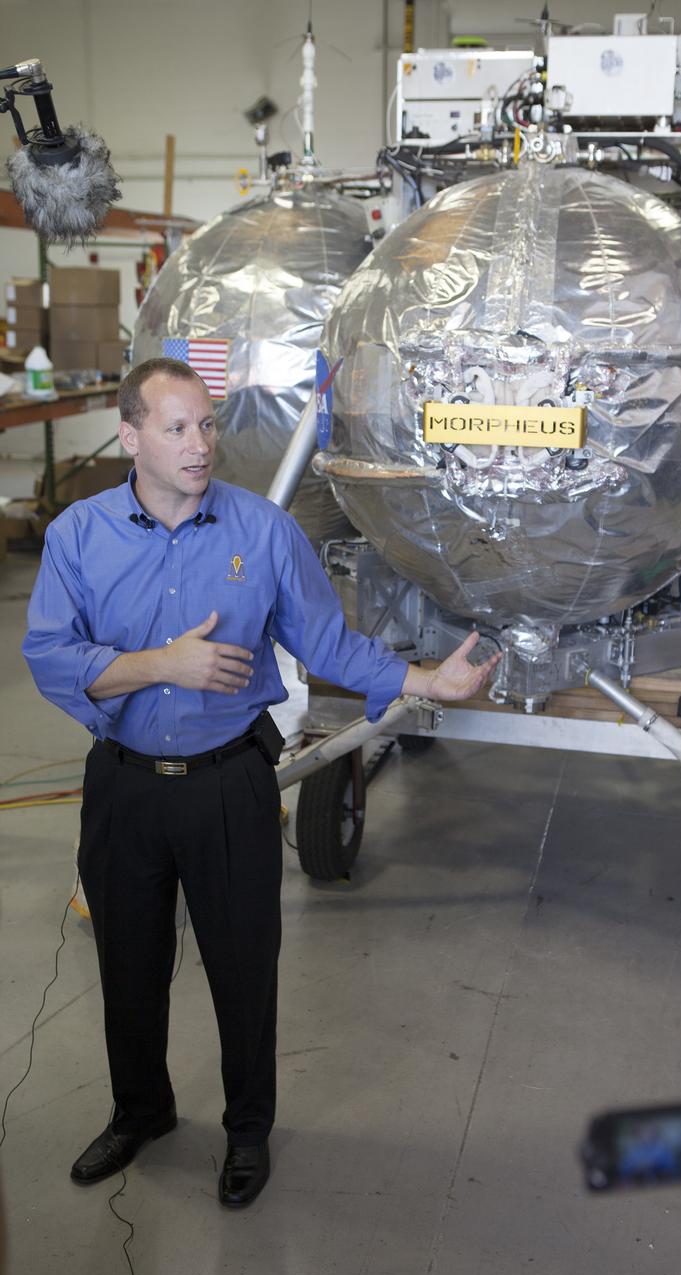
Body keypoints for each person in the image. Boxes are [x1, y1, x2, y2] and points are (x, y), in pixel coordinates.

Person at [22, 357, 498, 1208]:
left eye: (207, 424)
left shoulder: (263, 531)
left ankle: (247, 1131)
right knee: (128, 967)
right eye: (176, 428)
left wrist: (427, 680)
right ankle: (140, 1112)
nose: (199, 444)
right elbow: (51, 658)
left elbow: (328, 643)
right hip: (125, 787)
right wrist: (161, 664)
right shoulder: (78, 536)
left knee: (244, 969)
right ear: (130, 436)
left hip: (228, 785)